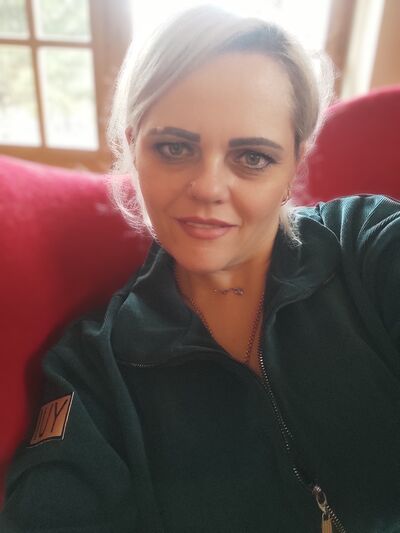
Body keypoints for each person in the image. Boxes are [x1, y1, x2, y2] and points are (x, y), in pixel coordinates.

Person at [1, 5, 399, 533]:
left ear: (295, 164)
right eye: (174, 148)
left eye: (252, 157)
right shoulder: (97, 368)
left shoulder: (366, 243)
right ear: (133, 148)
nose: (208, 188)